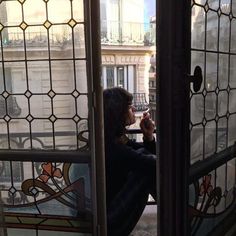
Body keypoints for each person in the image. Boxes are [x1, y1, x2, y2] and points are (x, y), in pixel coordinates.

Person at [103, 87, 157, 236]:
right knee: (148, 169)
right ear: (118, 113)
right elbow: (152, 163)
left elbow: (138, 153)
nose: (133, 108)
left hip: (108, 214)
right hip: (111, 222)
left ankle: (172, 211)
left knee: (146, 160)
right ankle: (175, 213)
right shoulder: (114, 147)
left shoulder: (110, 139)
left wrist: (148, 137)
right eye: (128, 106)